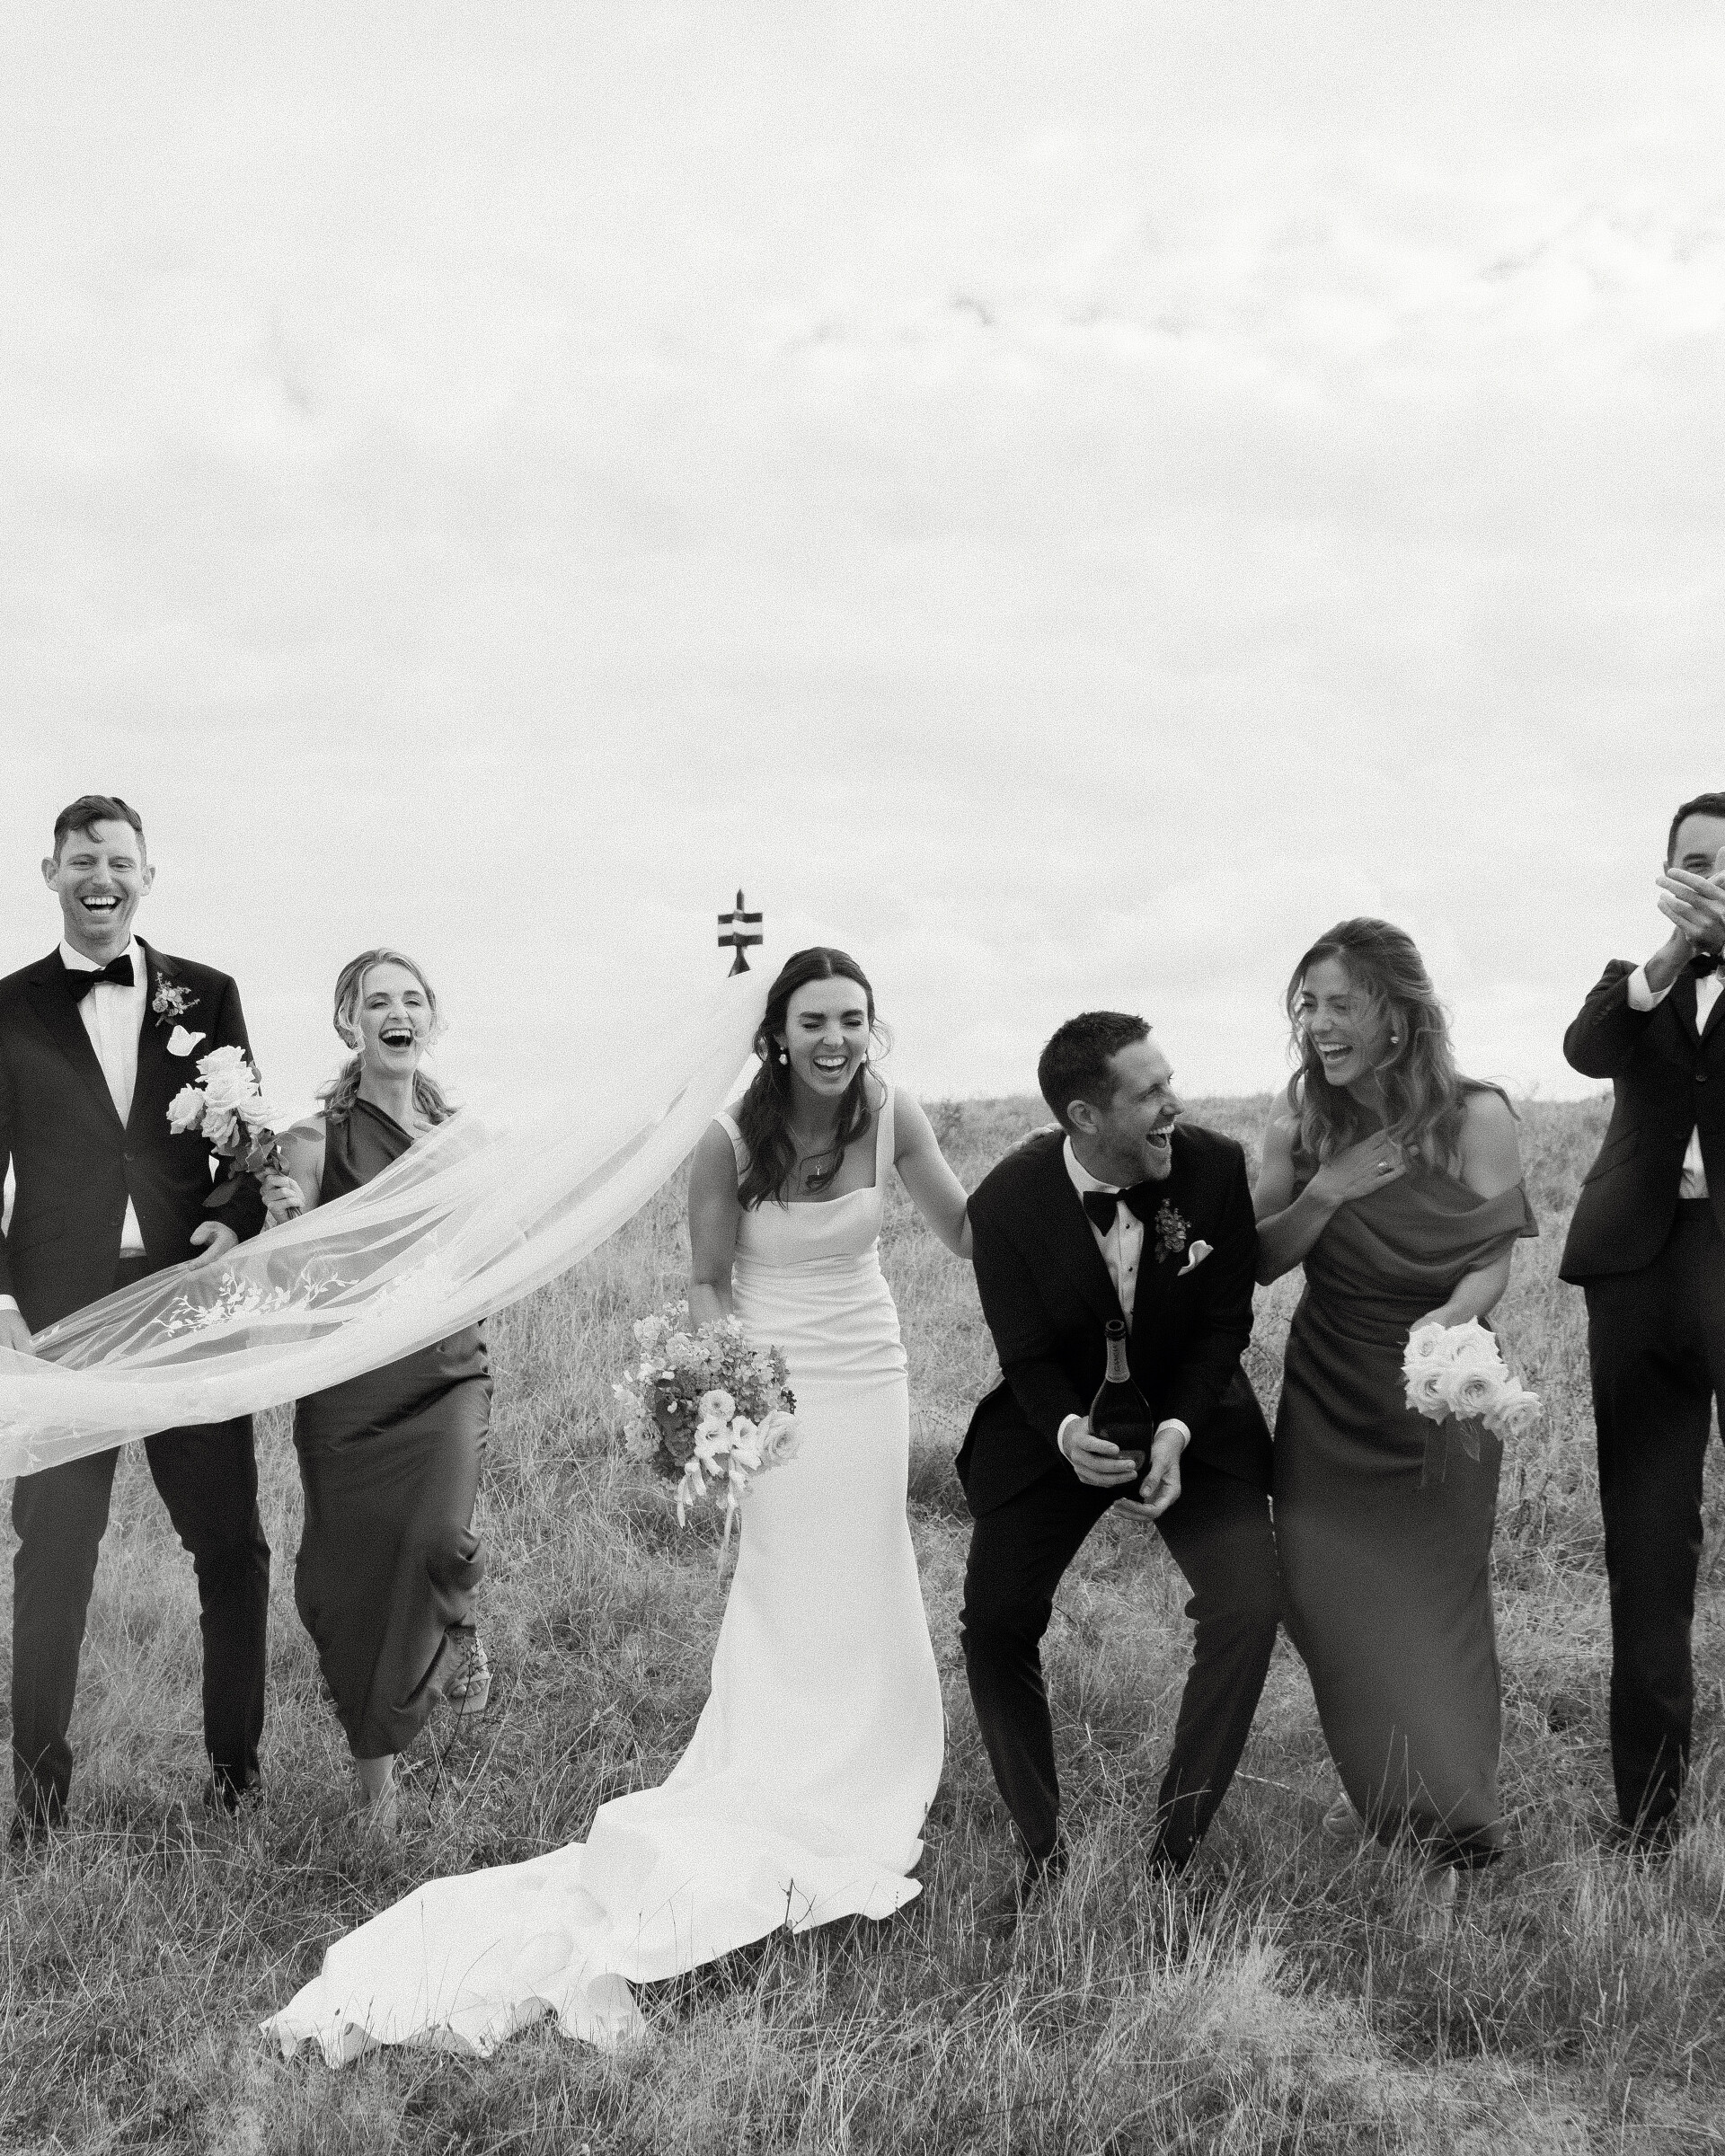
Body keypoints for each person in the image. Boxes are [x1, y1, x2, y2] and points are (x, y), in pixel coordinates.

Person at [264, 945, 972, 2059]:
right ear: (778, 1034)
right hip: (772, 1385)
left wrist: (1076, 1209)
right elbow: (708, 1279)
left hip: (871, 1375)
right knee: (787, 1574)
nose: (836, 1039)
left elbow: (968, 1232)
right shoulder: (728, 1138)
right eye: (814, 1021)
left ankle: (877, 1753)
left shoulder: (896, 1115)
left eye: (853, 1019)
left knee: (874, 1558)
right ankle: (778, 1757)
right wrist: (743, 1391)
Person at [959, 1011, 1278, 1918]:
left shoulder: (1216, 1167)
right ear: (1085, 1117)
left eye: (1169, 1081)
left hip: (1190, 1416)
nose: (1175, 1104)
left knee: (1251, 1603)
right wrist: (1068, 1433)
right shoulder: (1005, 1203)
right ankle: (1042, 1849)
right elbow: (1024, 1353)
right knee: (994, 1623)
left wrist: (1177, 1431)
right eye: (1151, 1093)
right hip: (1060, 1423)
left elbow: (1225, 1323)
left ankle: (1176, 1848)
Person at [0, 795, 271, 1842]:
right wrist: (5, 1300)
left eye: (118, 861)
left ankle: (236, 1781)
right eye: (81, 861)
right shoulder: (8, 1007)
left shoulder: (211, 993)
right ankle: (38, 1803)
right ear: (51, 874)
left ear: (147, 877)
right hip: (62, 1323)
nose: (100, 878)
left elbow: (246, 1145)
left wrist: (228, 1220)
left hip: (184, 1309)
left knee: (230, 1547)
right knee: (54, 1554)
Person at [1254, 918, 1535, 1895]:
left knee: (1435, 1600)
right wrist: (1326, 1192)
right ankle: (1389, 1797)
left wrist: (1449, 1325)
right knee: (1324, 1593)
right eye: (1308, 1004)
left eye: (1342, 1004)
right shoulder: (1299, 1119)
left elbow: (1491, 1256)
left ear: (1398, 1016)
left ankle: (1458, 1819)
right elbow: (1260, 1257)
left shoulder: (1476, 1116)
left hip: (1441, 1384)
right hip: (1331, 1390)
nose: (1319, 1024)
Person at [260, 950, 492, 1833]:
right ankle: (379, 1801)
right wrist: (285, 1226)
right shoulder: (311, 1141)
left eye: (412, 1000)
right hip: (350, 1386)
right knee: (354, 1585)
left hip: (445, 1372)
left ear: (431, 1018)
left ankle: (454, 1624)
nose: (397, 1013)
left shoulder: (461, 1140)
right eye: (377, 1002)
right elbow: (289, 1285)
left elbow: (487, 1250)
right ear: (347, 1023)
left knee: (437, 1539)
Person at [1559, 791, 1725, 1855]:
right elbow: (1587, 1050)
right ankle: (1649, 1814)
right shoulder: (1637, 980)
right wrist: (1672, 954)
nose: (1710, 879)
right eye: (1694, 863)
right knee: (1648, 1539)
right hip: (1638, 1272)